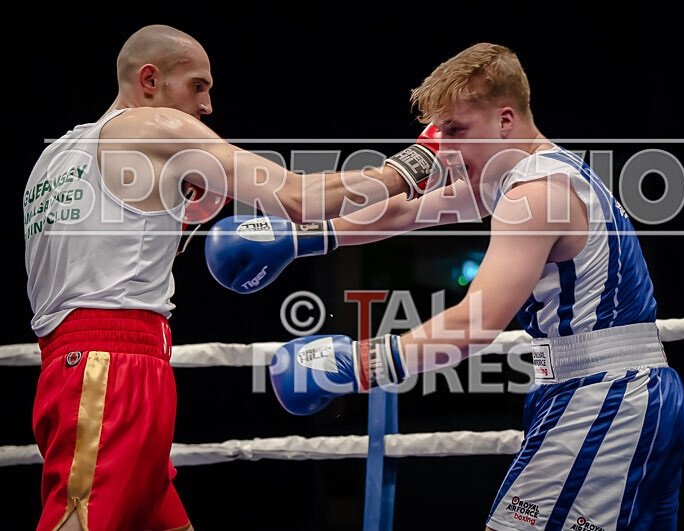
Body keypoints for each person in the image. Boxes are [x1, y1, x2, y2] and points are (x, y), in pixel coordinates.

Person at [217, 43, 684, 529]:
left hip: (606, 399)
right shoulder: (523, 177)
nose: (444, 149)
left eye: (457, 131)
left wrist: (357, 365)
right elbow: (402, 212)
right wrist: (299, 238)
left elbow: (477, 322)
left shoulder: (537, 193)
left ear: (505, 120)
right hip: (617, 396)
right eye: (440, 133)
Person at [23, 24, 442, 531]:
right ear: (150, 80)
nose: (208, 105)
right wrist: (415, 164)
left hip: (89, 363)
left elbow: (112, 247)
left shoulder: (57, 156)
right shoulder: (153, 127)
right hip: (111, 369)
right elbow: (297, 199)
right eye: (197, 86)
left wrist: (188, 203)